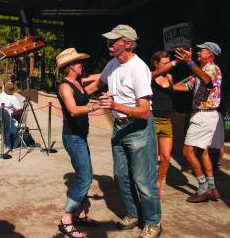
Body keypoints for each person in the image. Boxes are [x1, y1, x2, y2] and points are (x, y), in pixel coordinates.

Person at [91, 24, 162, 238]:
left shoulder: (138, 69)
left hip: (138, 129)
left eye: (114, 41)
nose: (109, 44)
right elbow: (97, 84)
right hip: (119, 128)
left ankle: (153, 222)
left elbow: (143, 112)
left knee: (143, 181)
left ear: (128, 44)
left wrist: (114, 106)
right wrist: (72, 91)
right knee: (121, 176)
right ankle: (133, 214)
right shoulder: (113, 64)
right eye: (109, 41)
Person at [55, 48, 100, 238]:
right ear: (70, 66)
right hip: (72, 137)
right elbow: (73, 110)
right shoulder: (65, 86)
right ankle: (66, 220)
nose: (82, 64)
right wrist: (94, 107)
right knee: (85, 178)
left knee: (83, 174)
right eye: (79, 62)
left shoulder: (78, 82)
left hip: (81, 136)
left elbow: (96, 82)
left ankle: (80, 215)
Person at [173, 42, 223, 203]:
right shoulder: (200, 71)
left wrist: (189, 62)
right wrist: (166, 86)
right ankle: (213, 188)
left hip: (204, 115)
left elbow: (207, 80)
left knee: (187, 151)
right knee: (203, 152)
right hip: (205, 115)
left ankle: (203, 188)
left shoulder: (211, 69)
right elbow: (186, 85)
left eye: (203, 50)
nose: (199, 52)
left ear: (211, 54)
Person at [149, 51, 178, 195]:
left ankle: (158, 184)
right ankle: (148, 184)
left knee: (166, 158)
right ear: (156, 63)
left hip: (167, 121)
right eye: (164, 63)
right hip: (153, 119)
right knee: (152, 158)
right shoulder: (150, 75)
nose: (168, 65)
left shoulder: (170, 77)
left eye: (169, 62)